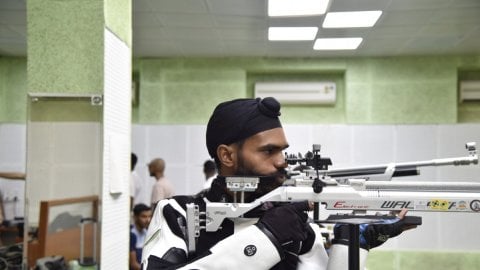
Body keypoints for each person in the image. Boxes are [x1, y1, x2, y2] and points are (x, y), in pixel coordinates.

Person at [142, 97, 415, 270]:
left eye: (282, 151)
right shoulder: (178, 214)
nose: (281, 161)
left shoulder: (291, 222)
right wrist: (268, 237)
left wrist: (352, 243)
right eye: (268, 151)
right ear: (226, 155)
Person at [130, 204, 153, 270]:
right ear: (135, 217)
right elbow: (133, 264)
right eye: (144, 217)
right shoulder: (132, 235)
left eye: (149, 216)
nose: (148, 220)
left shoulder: (146, 232)